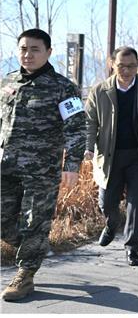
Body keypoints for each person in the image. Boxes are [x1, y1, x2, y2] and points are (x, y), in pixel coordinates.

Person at [0, 28, 86, 301]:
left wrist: (72, 164)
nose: (28, 54)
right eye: (24, 49)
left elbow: (76, 127)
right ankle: (34, 247)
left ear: (48, 52)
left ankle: (25, 275)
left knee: (34, 223)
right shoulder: (7, 82)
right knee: (3, 222)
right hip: (6, 166)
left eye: (35, 49)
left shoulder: (63, 87)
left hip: (42, 170)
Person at [84, 46, 138, 266]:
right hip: (110, 155)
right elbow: (90, 122)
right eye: (122, 65)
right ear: (112, 63)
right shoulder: (99, 91)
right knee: (107, 202)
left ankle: (132, 247)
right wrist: (88, 147)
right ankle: (112, 223)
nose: (127, 70)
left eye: (132, 66)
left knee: (137, 202)